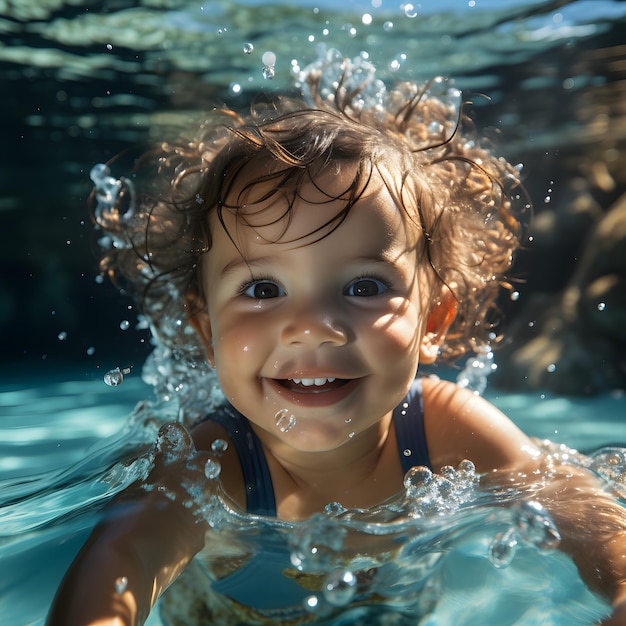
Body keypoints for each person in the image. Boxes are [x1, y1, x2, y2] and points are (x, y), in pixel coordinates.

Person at [47, 55, 626, 626]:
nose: (313, 324)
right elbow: (127, 555)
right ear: (207, 331)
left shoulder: (446, 428)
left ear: (433, 322)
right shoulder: (211, 465)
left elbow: (574, 503)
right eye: (264, 287)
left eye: (364, 285)